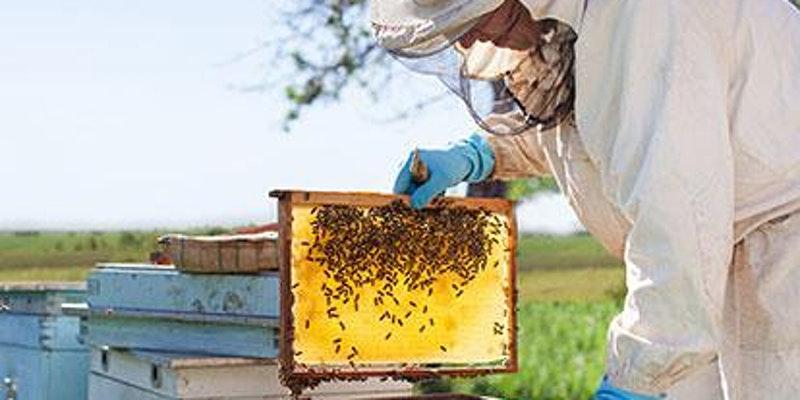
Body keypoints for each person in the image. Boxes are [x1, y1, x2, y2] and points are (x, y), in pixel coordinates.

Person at [371, 0, 800, 398]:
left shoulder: (649, 18)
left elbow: (677, 215)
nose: (466, 39)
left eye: (472, 15)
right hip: (713, 262)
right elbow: (588, 125)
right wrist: (482, 154)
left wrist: (632, 382)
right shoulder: (578, 23)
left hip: (780, 251)